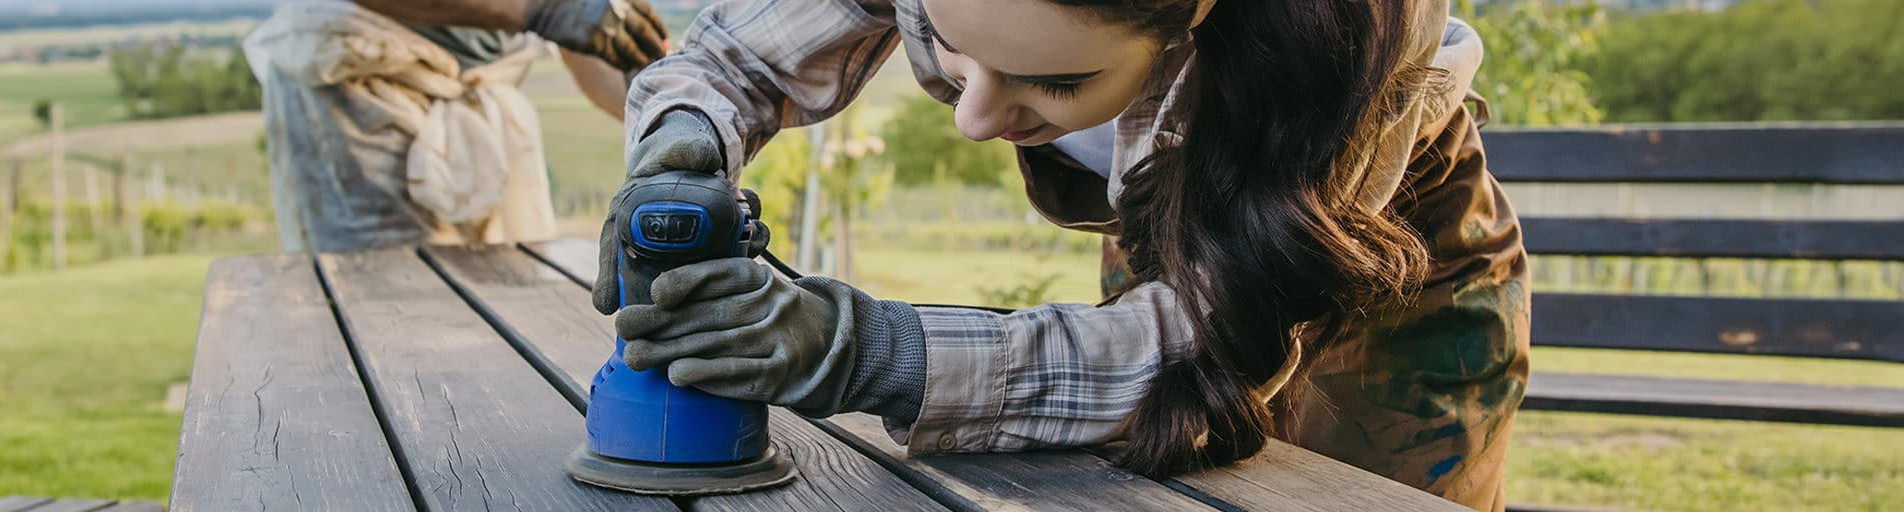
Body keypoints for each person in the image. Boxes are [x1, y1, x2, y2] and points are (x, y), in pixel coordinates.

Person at [597, 0, 1527, 509]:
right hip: (1171, 238)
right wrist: (680, 147)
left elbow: (1194, 354)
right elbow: (739, 62)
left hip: (1375, 260)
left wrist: (878, 354)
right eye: (951, 46)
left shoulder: (1345, 45)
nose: (971, 120)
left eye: (1054, 79)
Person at [245, 0, 669, 251]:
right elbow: (554, 10)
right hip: (355, 91)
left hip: (475, 96)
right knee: (382, 298)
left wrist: (668, 109)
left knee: (495, 299)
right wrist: (541, 7)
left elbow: (588, 43)